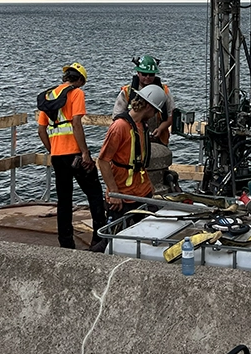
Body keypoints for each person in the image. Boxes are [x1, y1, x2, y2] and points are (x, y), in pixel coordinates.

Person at [36, 62, 107, 251]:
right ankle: (99, 239)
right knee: (94, 194)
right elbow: (76, 123)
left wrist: (53, 149)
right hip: (75, 154)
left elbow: (41, 130)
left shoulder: (48, 96)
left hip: (58, 156)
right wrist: (85, 152)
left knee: (64, 200)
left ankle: (66, 242)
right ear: (80, 80)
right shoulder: (76, 93)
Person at [98, 84, 166, 227]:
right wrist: (114, 192)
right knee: (114, 237)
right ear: (148, 107)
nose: (155, 115)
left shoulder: (142, 126)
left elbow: (139, 160)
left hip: (142, 192)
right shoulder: (120, 127)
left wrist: (149, 186)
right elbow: (103, 161)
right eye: (155, 110)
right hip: (123, 195)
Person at [112, 54, 176, 145]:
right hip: (132, 140)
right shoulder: (127, 92)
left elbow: (172, 114)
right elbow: (117, 117)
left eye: (151, 74)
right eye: (144, 74)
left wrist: (161, 129)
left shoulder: (164, 91)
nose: (147, 77)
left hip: (158, 140)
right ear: (138, 73)